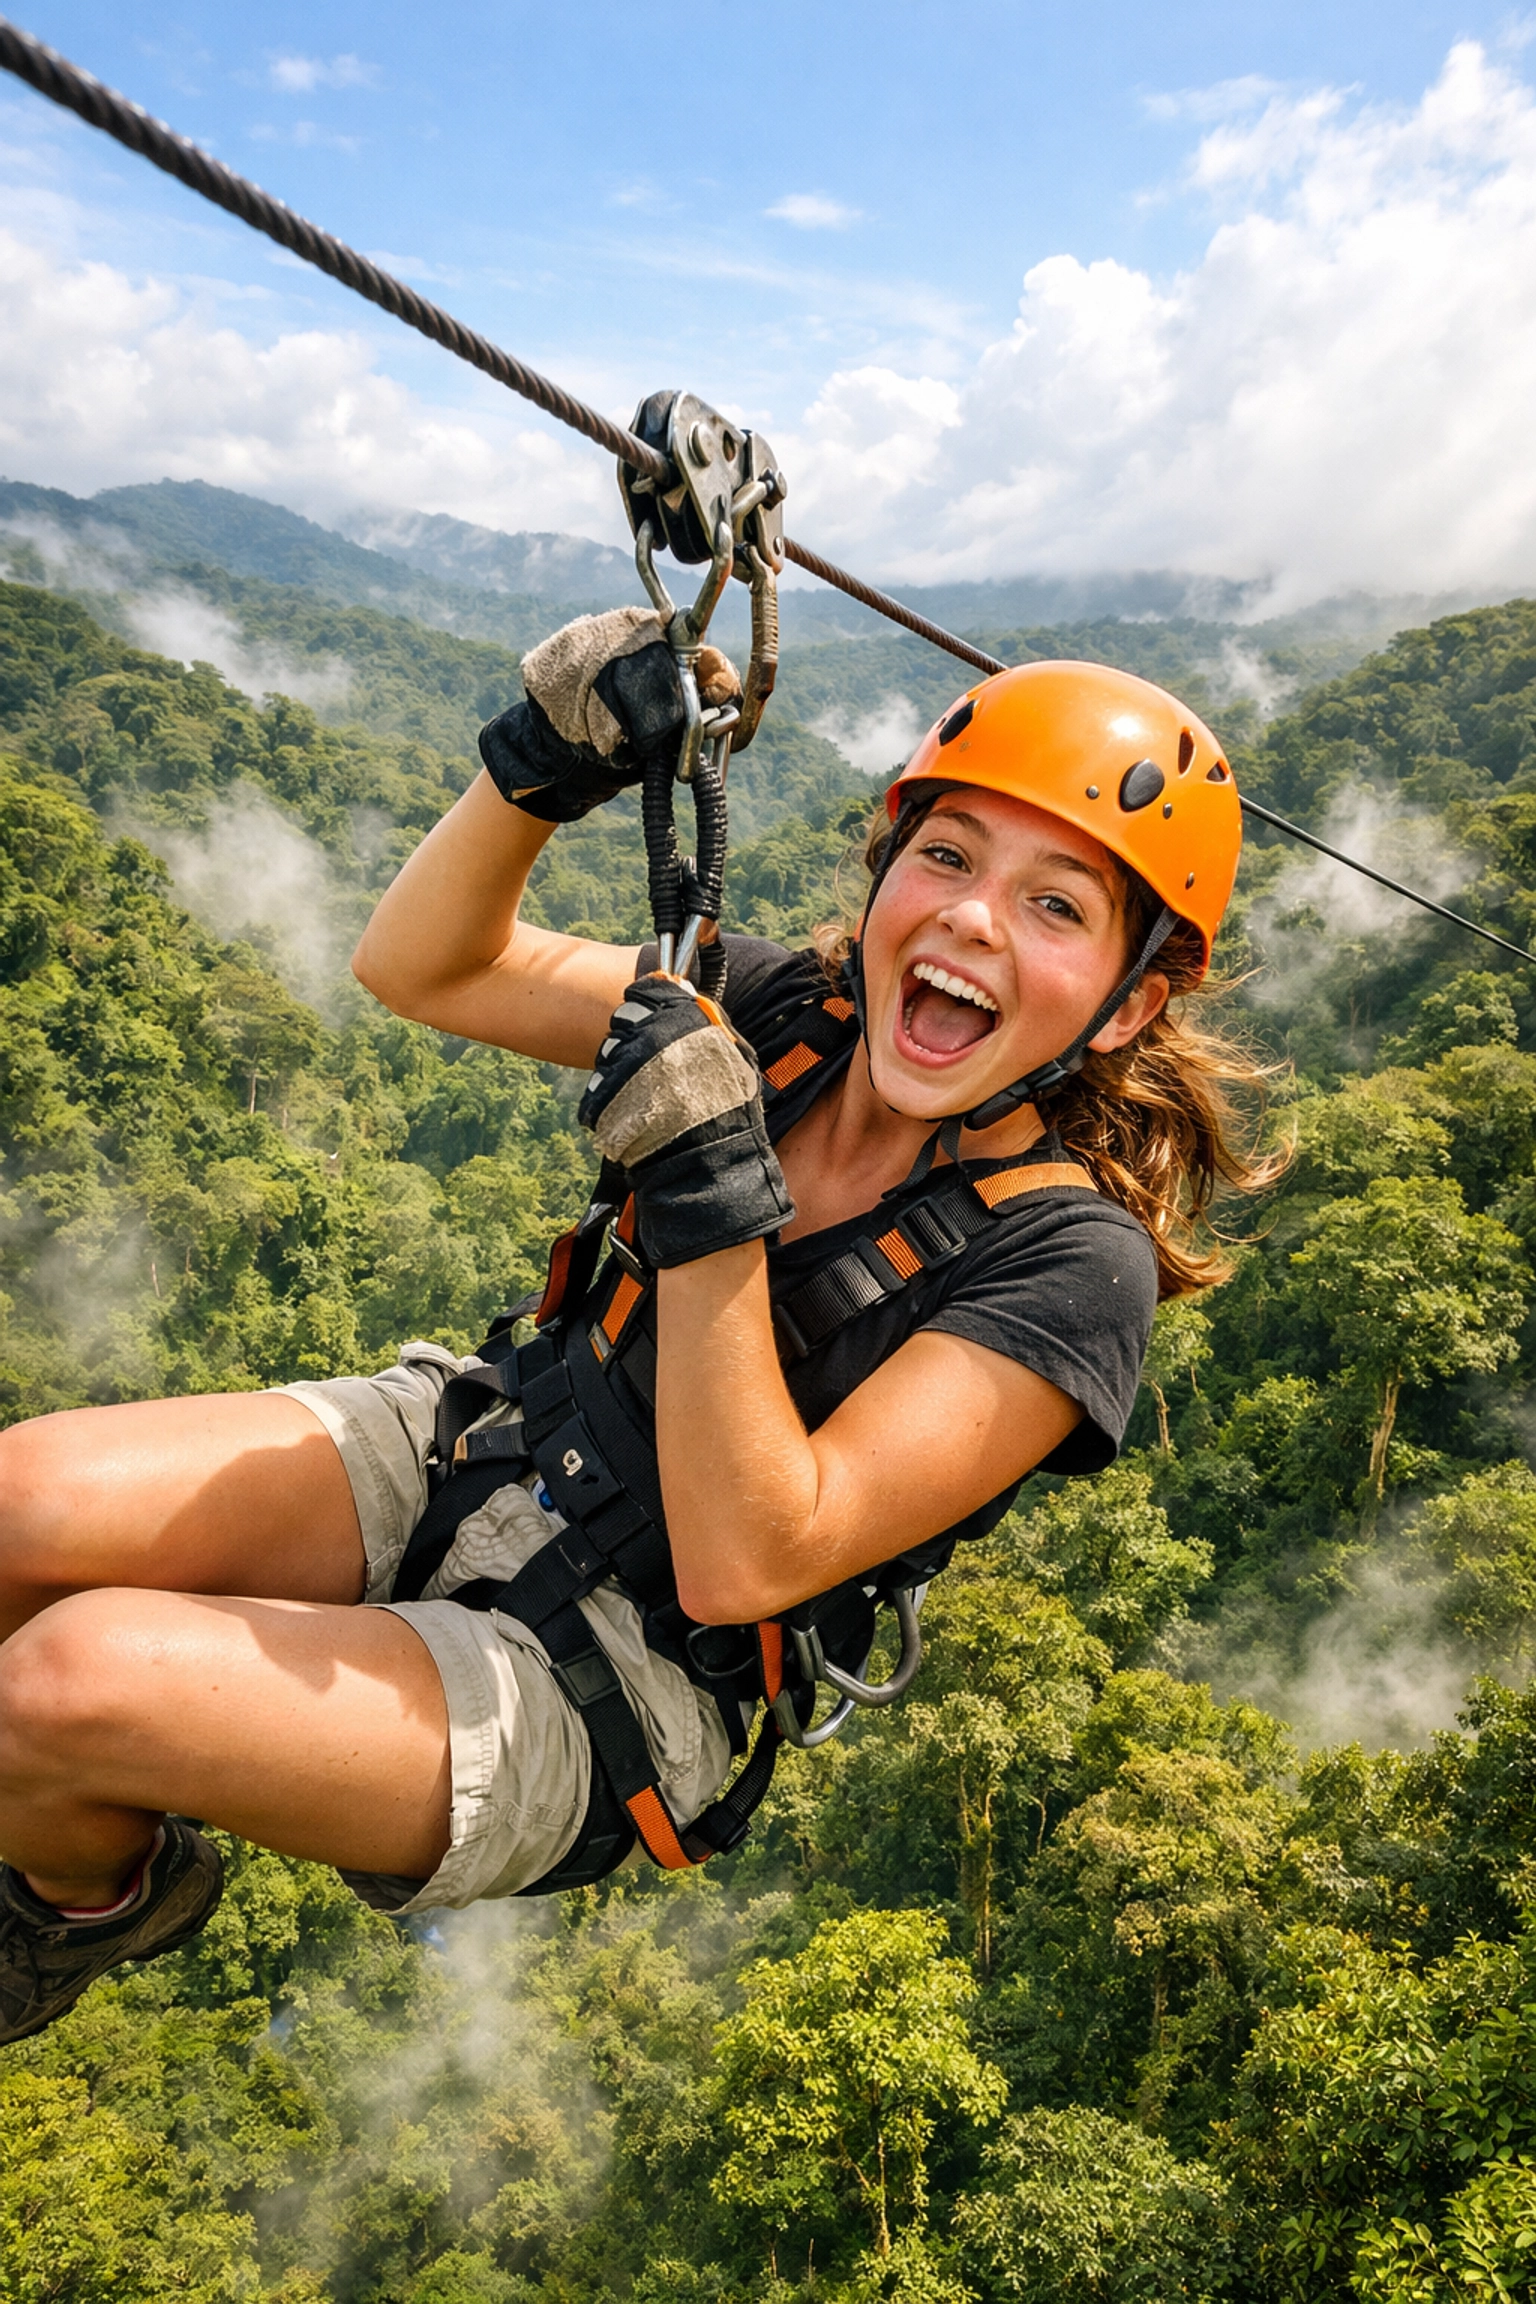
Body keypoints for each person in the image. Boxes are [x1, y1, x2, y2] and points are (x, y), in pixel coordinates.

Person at [0, 608, 1273, 2042]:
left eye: (1059, 907)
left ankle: (83, 1907)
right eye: (949, 855)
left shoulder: (1069, 1262)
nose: (975, 917)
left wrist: (709, 1190)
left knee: (62, 1685)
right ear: (886, 875)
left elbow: (755, 1558)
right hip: (496, 1431)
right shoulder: (792, 1016)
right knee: (16, 1506)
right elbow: (427, 966)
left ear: (1124, 1006)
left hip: (628, 1671)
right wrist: (536, 767)